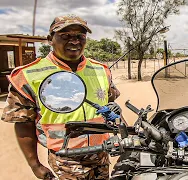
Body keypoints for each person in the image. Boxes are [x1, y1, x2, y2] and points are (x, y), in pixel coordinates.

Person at [1, 14, 121, 179]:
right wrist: (34, 164)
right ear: (50, 39)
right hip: (64, 159)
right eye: (65, 36)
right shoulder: (28, 75)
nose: (74, 41)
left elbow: (109, 100)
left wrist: (113, 110)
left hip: (101, 153)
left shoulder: (101, 70)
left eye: (80, 36)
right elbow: (23, 124)